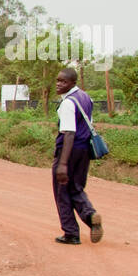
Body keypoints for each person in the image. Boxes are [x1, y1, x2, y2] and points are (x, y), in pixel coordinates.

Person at [52, 68, 103, 245]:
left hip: (69, 150)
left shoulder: (68, 103)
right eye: (58, 80)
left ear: (73, 83)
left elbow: (69, 133)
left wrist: (63, 164)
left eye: (63, 82)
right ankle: (90, 216)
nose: (59, 84)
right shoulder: (85, 97)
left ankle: (71, 233)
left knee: (62, 191)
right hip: (84, 150)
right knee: (76, 188)